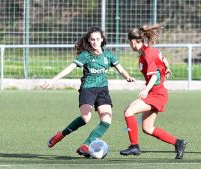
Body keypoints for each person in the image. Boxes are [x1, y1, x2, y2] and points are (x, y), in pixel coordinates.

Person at [42, 27, 134, 158]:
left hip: (103, 90)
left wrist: (127, 77)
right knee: (85, 118)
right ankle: (61, 134)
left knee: (106, 121)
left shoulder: (108, 55)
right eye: (92, 39)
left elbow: (121, 69)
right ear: (89, 41)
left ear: (102, 40)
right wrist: (53, 80)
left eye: (97, 39)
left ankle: (85, 146)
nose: (95, 41)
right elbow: (70, 68)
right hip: (88, 89)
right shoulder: (86, 55)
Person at [119, 24, 186, 159]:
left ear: (133, 41)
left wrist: (146, 89)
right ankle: (178, 143)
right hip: (155, 93)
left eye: (128, 42)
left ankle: (134, 146)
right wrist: (167, 67)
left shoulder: (147, 54)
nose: (129, 45)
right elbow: (162, 57)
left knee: (128, 112)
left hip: (157, 94)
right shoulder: (149, 51)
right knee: (147, 128)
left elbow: (154, 76)